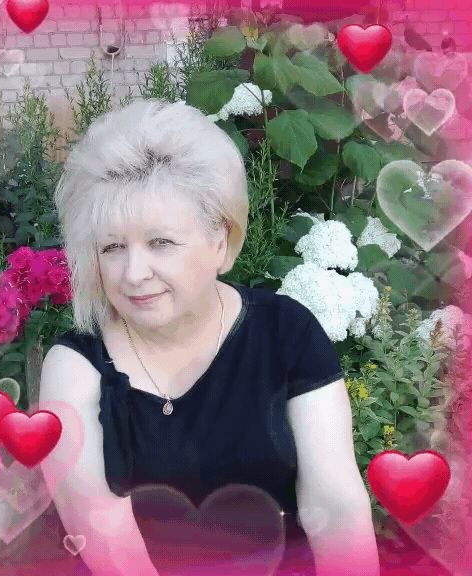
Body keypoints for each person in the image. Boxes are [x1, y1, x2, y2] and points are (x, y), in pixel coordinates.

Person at [39, 98, 380, 576]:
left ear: (220, 240)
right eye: (112, 247)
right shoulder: (74, 366)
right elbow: (108, 544)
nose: (133, 273)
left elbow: (336, 510)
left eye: (160, 242)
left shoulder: (287, 333)